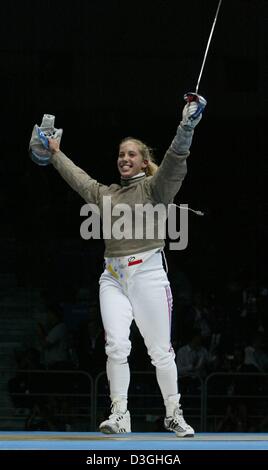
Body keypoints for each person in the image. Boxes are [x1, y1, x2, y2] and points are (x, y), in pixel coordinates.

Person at [30, 94, 206, 437]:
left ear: (142, 162)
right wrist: (53, 153)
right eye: (121, 154)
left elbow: (175, 158)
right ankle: (119, 414)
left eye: (131, 154)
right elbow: (78, 178)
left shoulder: (156, 189)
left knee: (160, 351)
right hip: (113, 276)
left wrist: (187, 125)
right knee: (116, 345)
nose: (124, 158)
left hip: (149, 273)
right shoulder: (106, 194)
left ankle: (173, 413)